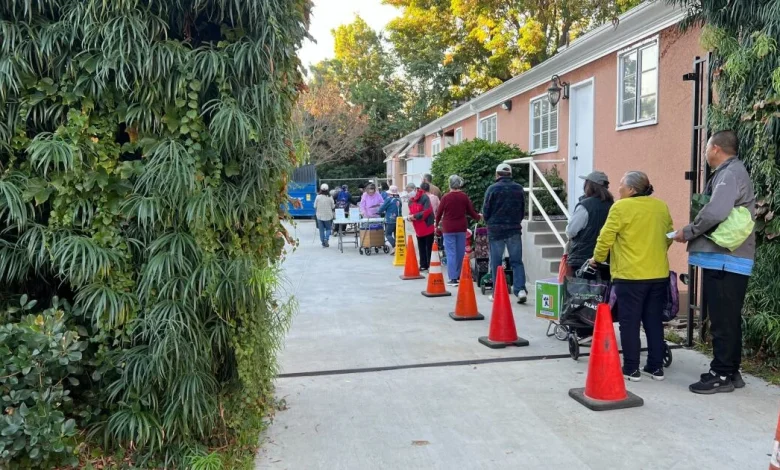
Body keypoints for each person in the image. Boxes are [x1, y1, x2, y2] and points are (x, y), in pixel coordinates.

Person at [673, 130, 755, 394]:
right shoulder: (733, 172)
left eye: (707, 148)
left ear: (716, 148)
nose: (705, 153)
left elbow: (716, 211)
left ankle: (720, 374)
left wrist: (689, 230)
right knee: (728, 318)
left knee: (722, 319)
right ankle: (731, 371)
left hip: (724, 260)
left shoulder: (729, 173)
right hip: (729, 260)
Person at [589, 171, 673, 382]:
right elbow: (669, 236)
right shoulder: (660, 206)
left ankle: (631, 368)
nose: (618, 189)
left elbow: (605, 237)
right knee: (653, 321)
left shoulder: (621, 207)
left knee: (630, 322)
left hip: (630, 275)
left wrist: (596, 259)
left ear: (632, 189)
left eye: (621, 185)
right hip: (658, 274)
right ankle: (655, 367)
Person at [482, 163, 528, 303]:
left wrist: (488, 221)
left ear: (497, 174)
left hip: (496, 230)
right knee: (516, 261)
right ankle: (520, 290)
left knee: (496, 262)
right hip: (514, 229)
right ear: (510, 174)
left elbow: (486, 210)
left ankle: (498, 293)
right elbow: (522, 210)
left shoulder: (492, 189)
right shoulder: (519, 189)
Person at [436, 175, 481, 286]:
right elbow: (471, 211)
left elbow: (439, 213)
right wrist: (478, 217)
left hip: (448, 228)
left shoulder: (445, 197)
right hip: (461, 228)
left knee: (451, 253)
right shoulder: (464, 196)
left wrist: (436, 225)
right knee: (460, 252)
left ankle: (453, 278)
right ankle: (460, 274)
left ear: (450, 184)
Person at [565, 171, 614, 273]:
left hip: (582, 259)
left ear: (589, 186)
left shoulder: (585, 205)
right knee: (604, 288)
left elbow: (571, 231)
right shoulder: (613, 205)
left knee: (580, 288)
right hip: (606, 258)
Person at [406, 182, 435, 271]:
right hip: (418, 226)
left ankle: (431, 264)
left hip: (427, 225)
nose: (409, 193)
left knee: (429, 247)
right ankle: (423, 264)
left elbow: (427, 211)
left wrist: (414, 216)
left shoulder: (424, 197)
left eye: (410, 191)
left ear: (415, 189)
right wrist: (410, 217)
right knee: (421, 246)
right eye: (408, 191)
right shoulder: (410, 200)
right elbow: (411, 211)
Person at [378, 185, 403, 254]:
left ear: (390, 193)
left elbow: (382, 208)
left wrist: (378, 211)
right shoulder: (399, 199)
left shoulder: (388, 199)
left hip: (390, 219)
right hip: (399, 219)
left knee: (388, 234)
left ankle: (395, 246)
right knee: (396, 234)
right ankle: (398, 248)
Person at [314, 184, 335, 248]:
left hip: (319, 216)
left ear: (321, 189)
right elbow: (333, 206)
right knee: (328, 228)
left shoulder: (318, 197)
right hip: (328, 216)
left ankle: (323, 242)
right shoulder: (330, 197)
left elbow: (314, 206)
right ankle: (326, 238)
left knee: (321, 230)